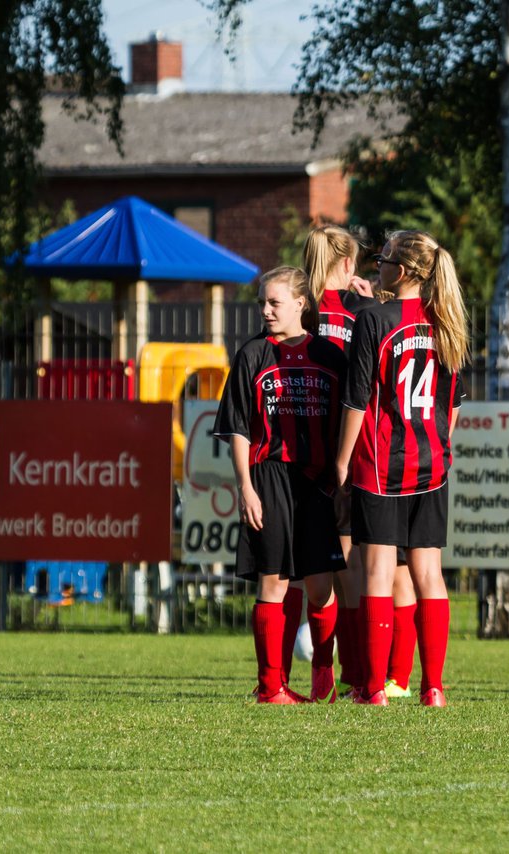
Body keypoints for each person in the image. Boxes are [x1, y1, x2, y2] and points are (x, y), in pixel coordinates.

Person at [335, 230, 468, 707]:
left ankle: (373, 689)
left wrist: (341, 460)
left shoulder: (374, 319)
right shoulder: (447, 323)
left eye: (385, 259)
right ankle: (433, 688)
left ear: (406, 271)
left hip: (381, 463)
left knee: (376, 571)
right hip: (432, 463)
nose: (378, 265)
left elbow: (356, 399)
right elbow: (452, 406)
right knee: (429, 573)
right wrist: (438, 446)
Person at [213, 266, 347, 704]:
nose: (266, 311)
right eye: (262, 303)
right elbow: (237, 428)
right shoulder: (252, 354)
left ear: (300, 304)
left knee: (320, 587)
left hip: (318, 483)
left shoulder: (329, 356)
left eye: (274, 302)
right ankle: (272, 686)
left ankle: (322, 674)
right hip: (268, 477)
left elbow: (350, 419)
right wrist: (245, 487)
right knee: (272, 582)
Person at [304, 224, 419, 702]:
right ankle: (370, 674)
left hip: (301, 450)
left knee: (304, 573)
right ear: (349, 265)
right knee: (364, 568)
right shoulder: (366, 313)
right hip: (354, 453)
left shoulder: (298, 309)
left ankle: (316, 675)